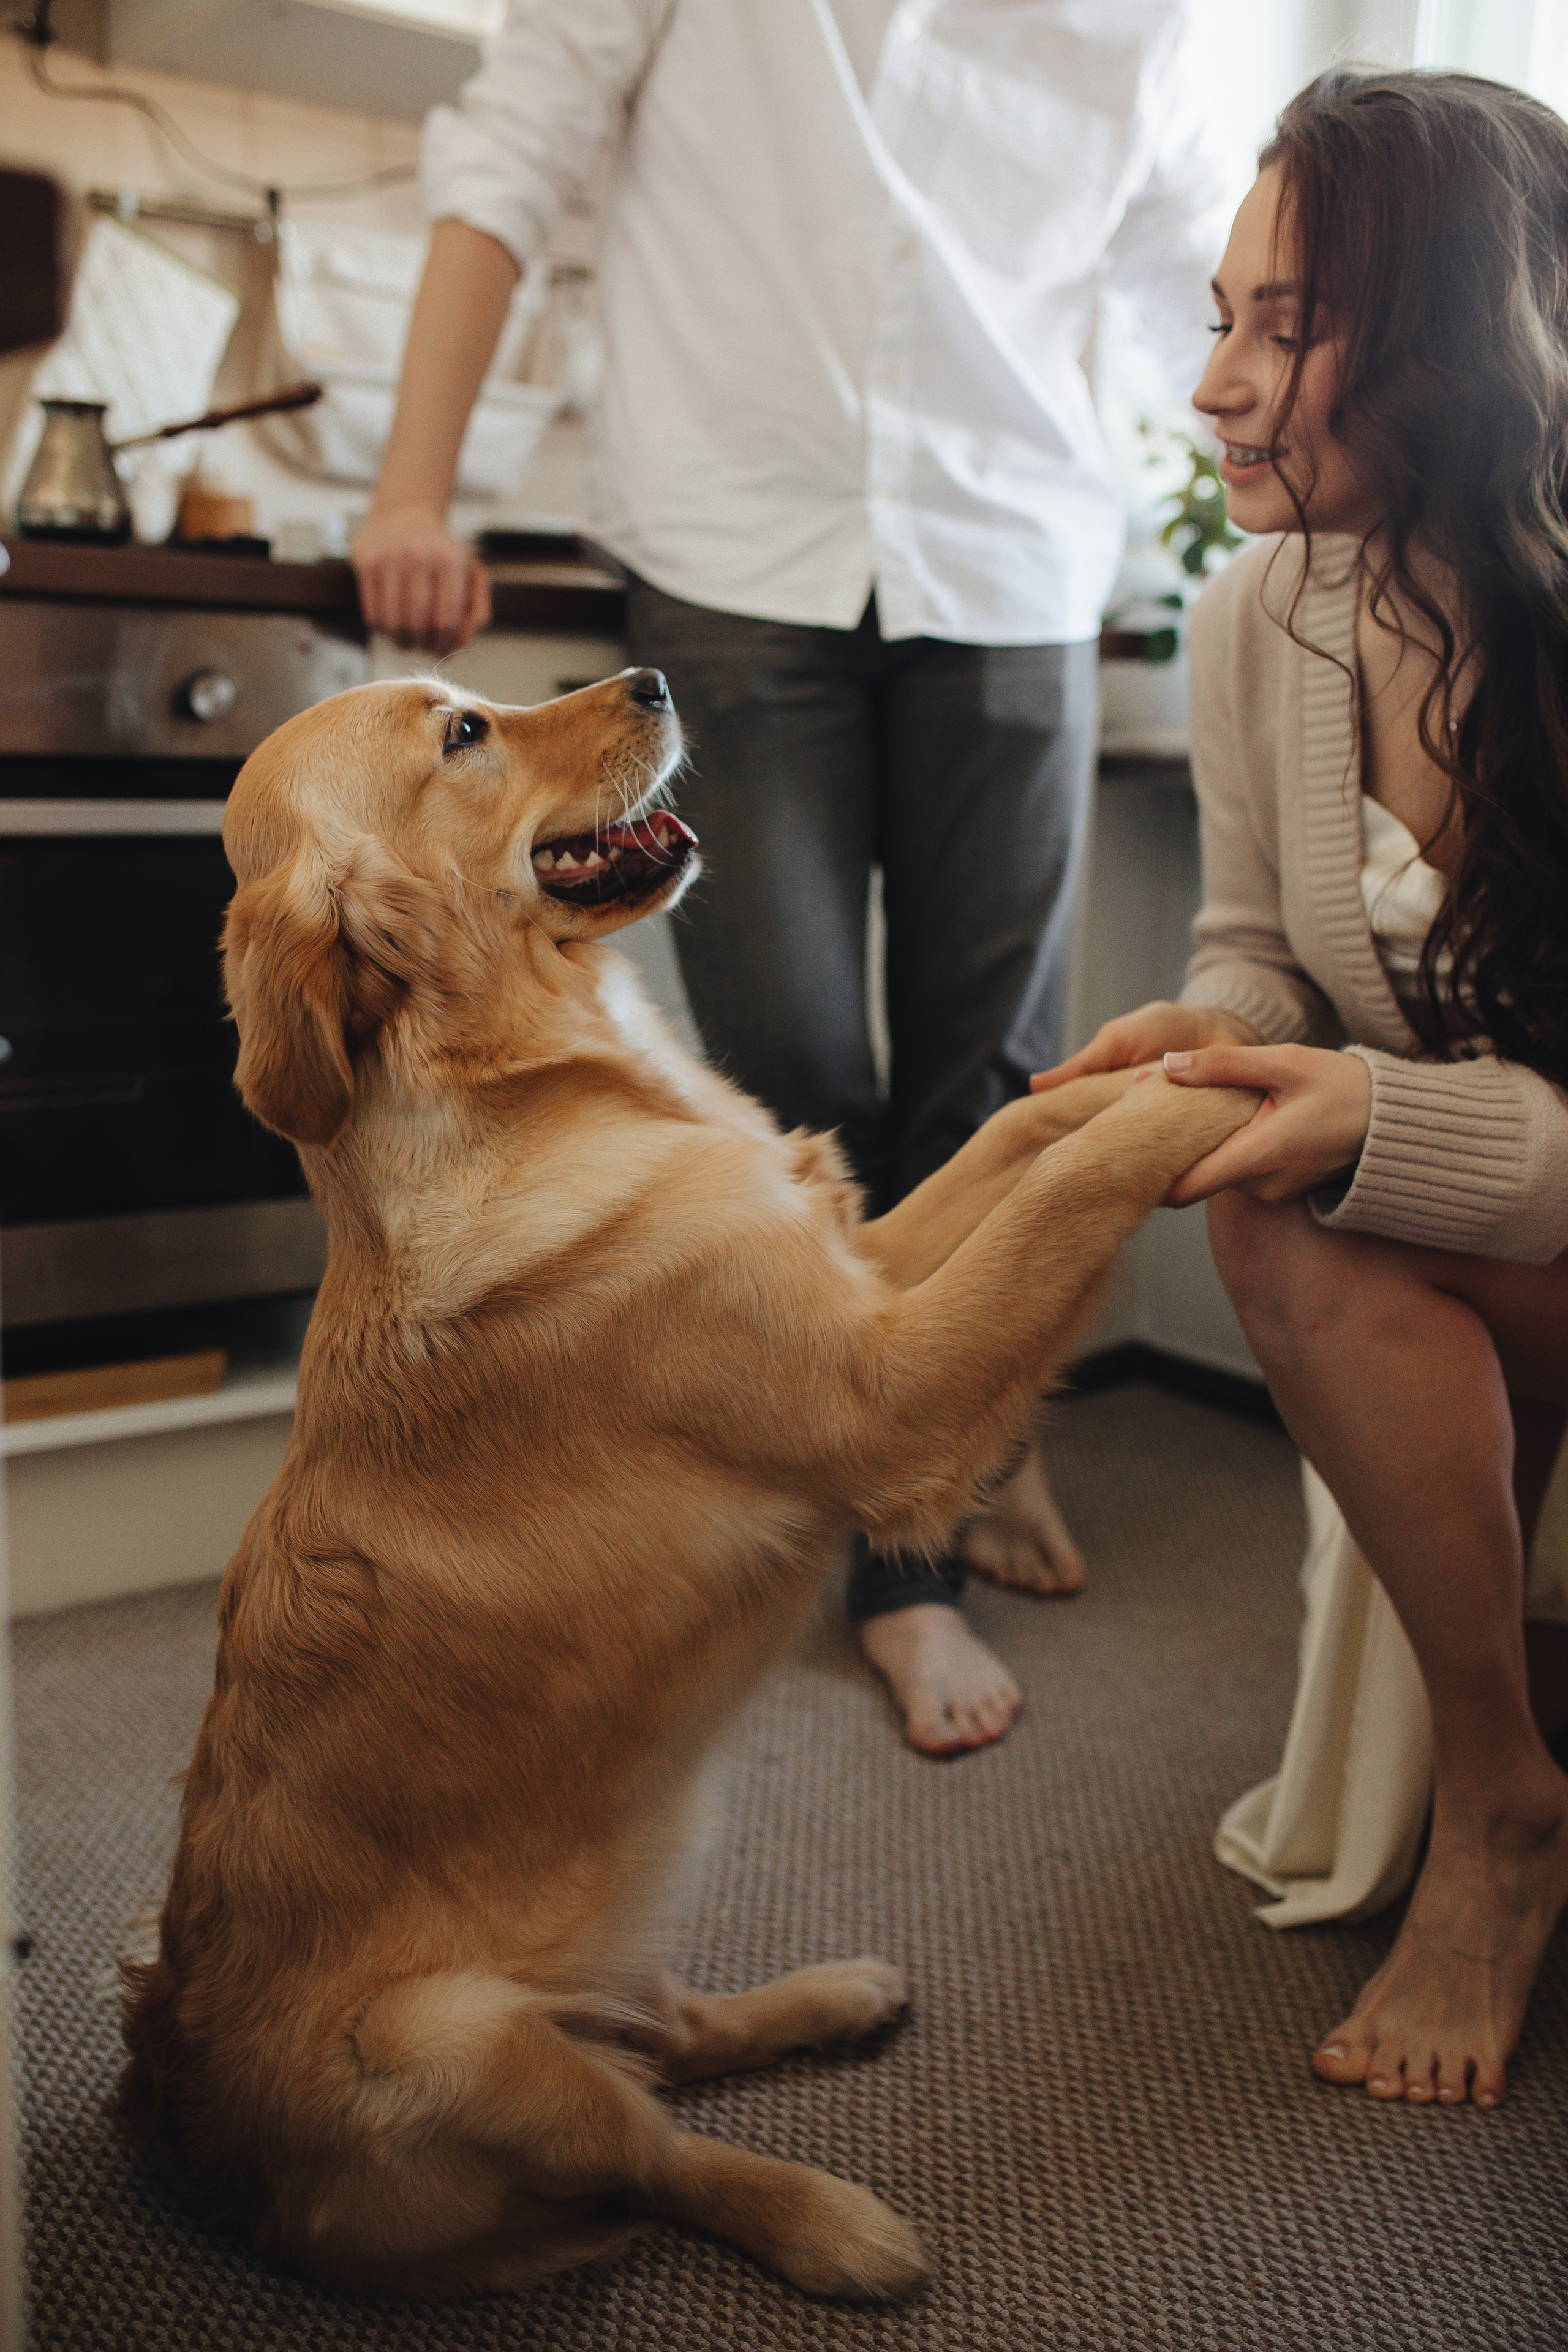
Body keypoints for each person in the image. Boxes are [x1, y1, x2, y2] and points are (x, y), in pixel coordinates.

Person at [353, 0, 1228, 1755]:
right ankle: (905, 1496)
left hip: (1014, 550)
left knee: (1000, 1077)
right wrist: (413, 487)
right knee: (805, 1075)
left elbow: (1191, 290)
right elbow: (512, 149)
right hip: (741, 536)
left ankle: (955, 1487)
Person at [1036, 68, 1568, 2105]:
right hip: (1503, 1234)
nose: (1218, 390)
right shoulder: (1258, 613)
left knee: (1310, 1174)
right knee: (1247, 1176)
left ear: (1452, 337)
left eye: (1290, 326)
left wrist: (1373, 1118)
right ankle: (1506, 1799)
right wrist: (1216, 1034)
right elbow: (1259, 942)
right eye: (1219, 319)